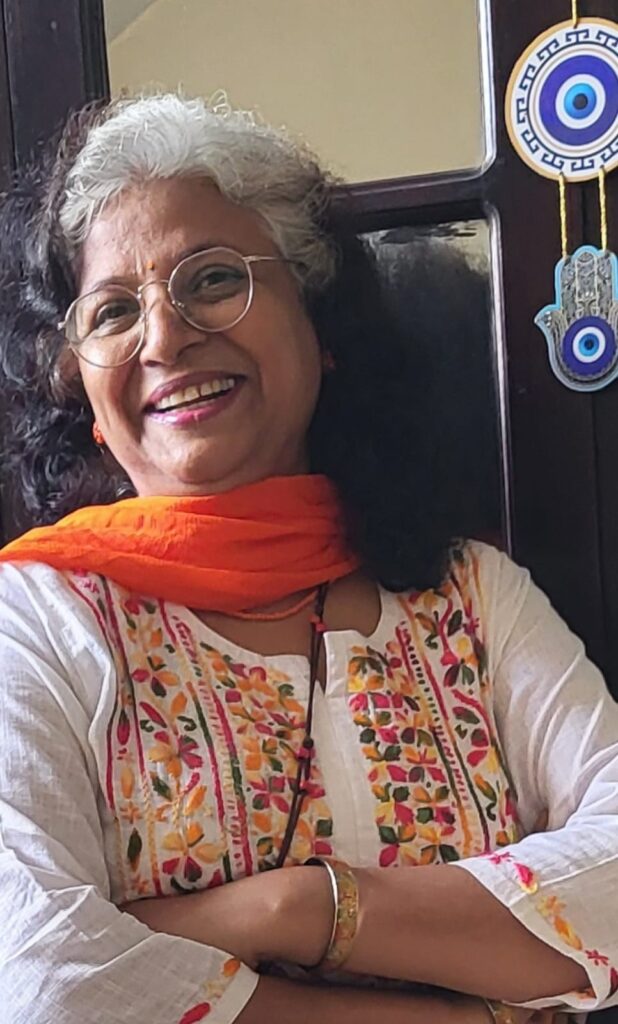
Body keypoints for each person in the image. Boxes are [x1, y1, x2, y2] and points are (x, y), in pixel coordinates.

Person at [0, 92, 616, 1024]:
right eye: (114, 310)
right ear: (84, 389)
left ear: (323, 330)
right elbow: (46, 983)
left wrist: (296, 910)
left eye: (213, 279)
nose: (164, 337)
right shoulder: (37, 623)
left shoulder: (469, 596)